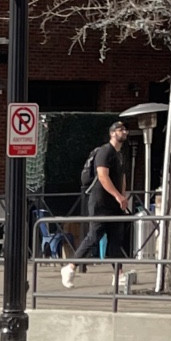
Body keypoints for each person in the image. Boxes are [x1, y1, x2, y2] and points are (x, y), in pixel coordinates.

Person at [62, 116, 131, 285]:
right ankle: (70, 267)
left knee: (116, 239)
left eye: (125, 130)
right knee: (94, 235)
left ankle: (119, 274)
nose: (124, 132)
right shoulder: (105, 151)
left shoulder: (120, 155)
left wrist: (123, 196)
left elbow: (122, 177)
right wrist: (117, 195)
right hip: (101, 202)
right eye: (120, 130)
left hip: (115, 204)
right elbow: (102, 176)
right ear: (112, 133)